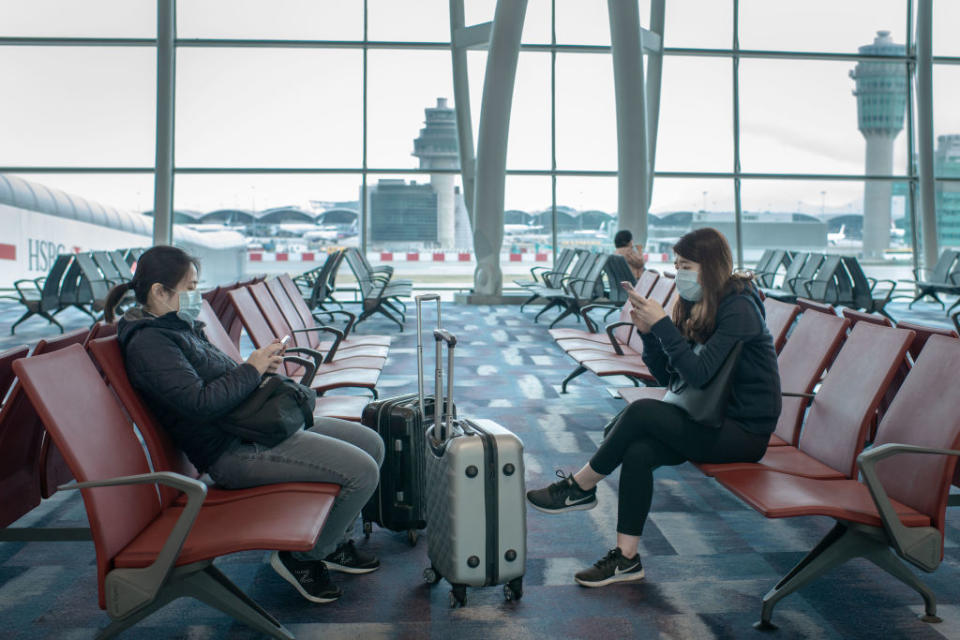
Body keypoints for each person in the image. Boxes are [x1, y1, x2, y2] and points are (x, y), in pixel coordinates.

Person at [104, 246, 385, 605]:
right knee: (361, 471)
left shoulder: (178, 326)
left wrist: (258, 367)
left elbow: (219, 381)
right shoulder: (150, 343)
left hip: (252, 427)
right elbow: (199, 403)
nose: (198, 295)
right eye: (190, 286)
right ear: (160, 291)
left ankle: (332, 543)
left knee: (371, 443)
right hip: (234, 452)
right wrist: (251, 369)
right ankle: (302, 557)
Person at [526, 228, 781, 588]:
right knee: (638, 451)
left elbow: (700, 374)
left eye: (687, 265)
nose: (680, 274)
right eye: (677, 265)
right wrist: (648, 333)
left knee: (643, 411)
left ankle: (580, 486)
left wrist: (663, 327)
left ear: (710, 266)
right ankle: (626, 559)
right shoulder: (698, 303)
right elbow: (670, 377)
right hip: (708, 418)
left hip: (742, 432)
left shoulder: (739, 308)